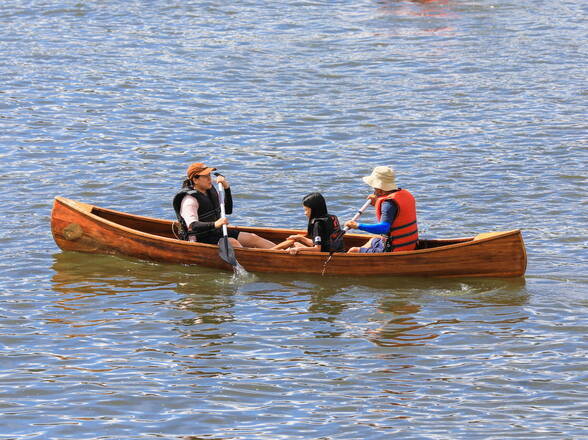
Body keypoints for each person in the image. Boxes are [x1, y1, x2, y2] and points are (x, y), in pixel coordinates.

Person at [172, 162, 275, 249]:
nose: (210, 179)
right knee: (232, 242)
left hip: (216, 232)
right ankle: (254, 261)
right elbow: (193, 226)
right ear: (195, 180)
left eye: (210, 175)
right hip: (201, 239)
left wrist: (227, 188)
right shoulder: (189, 200)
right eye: (206, 176)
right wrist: (215, 224)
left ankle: (282, 252)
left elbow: (228, 210)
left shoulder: (209, 191)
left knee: (252, 237)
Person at [345, 166, 419, 253]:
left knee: (353, 251)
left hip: (394, 249)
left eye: (374, 189)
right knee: (373, 240)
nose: (374, 191)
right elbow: (396, 214)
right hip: (411, 244)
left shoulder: (388, 203)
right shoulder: (405, 194)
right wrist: (377, 202)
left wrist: (357, 225)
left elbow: (384, 228)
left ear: (380, 191)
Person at [280, 192, 345, 255]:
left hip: (326, 256)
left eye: (306, 210)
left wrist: (298, 249)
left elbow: (317, 249)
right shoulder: (333, 217)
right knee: (296, 243)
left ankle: (273, 251)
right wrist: (300, 238)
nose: (305, 213)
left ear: (314, 210)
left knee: (293, 244)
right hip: (337, 252)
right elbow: (321, 244)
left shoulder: (318, 224)